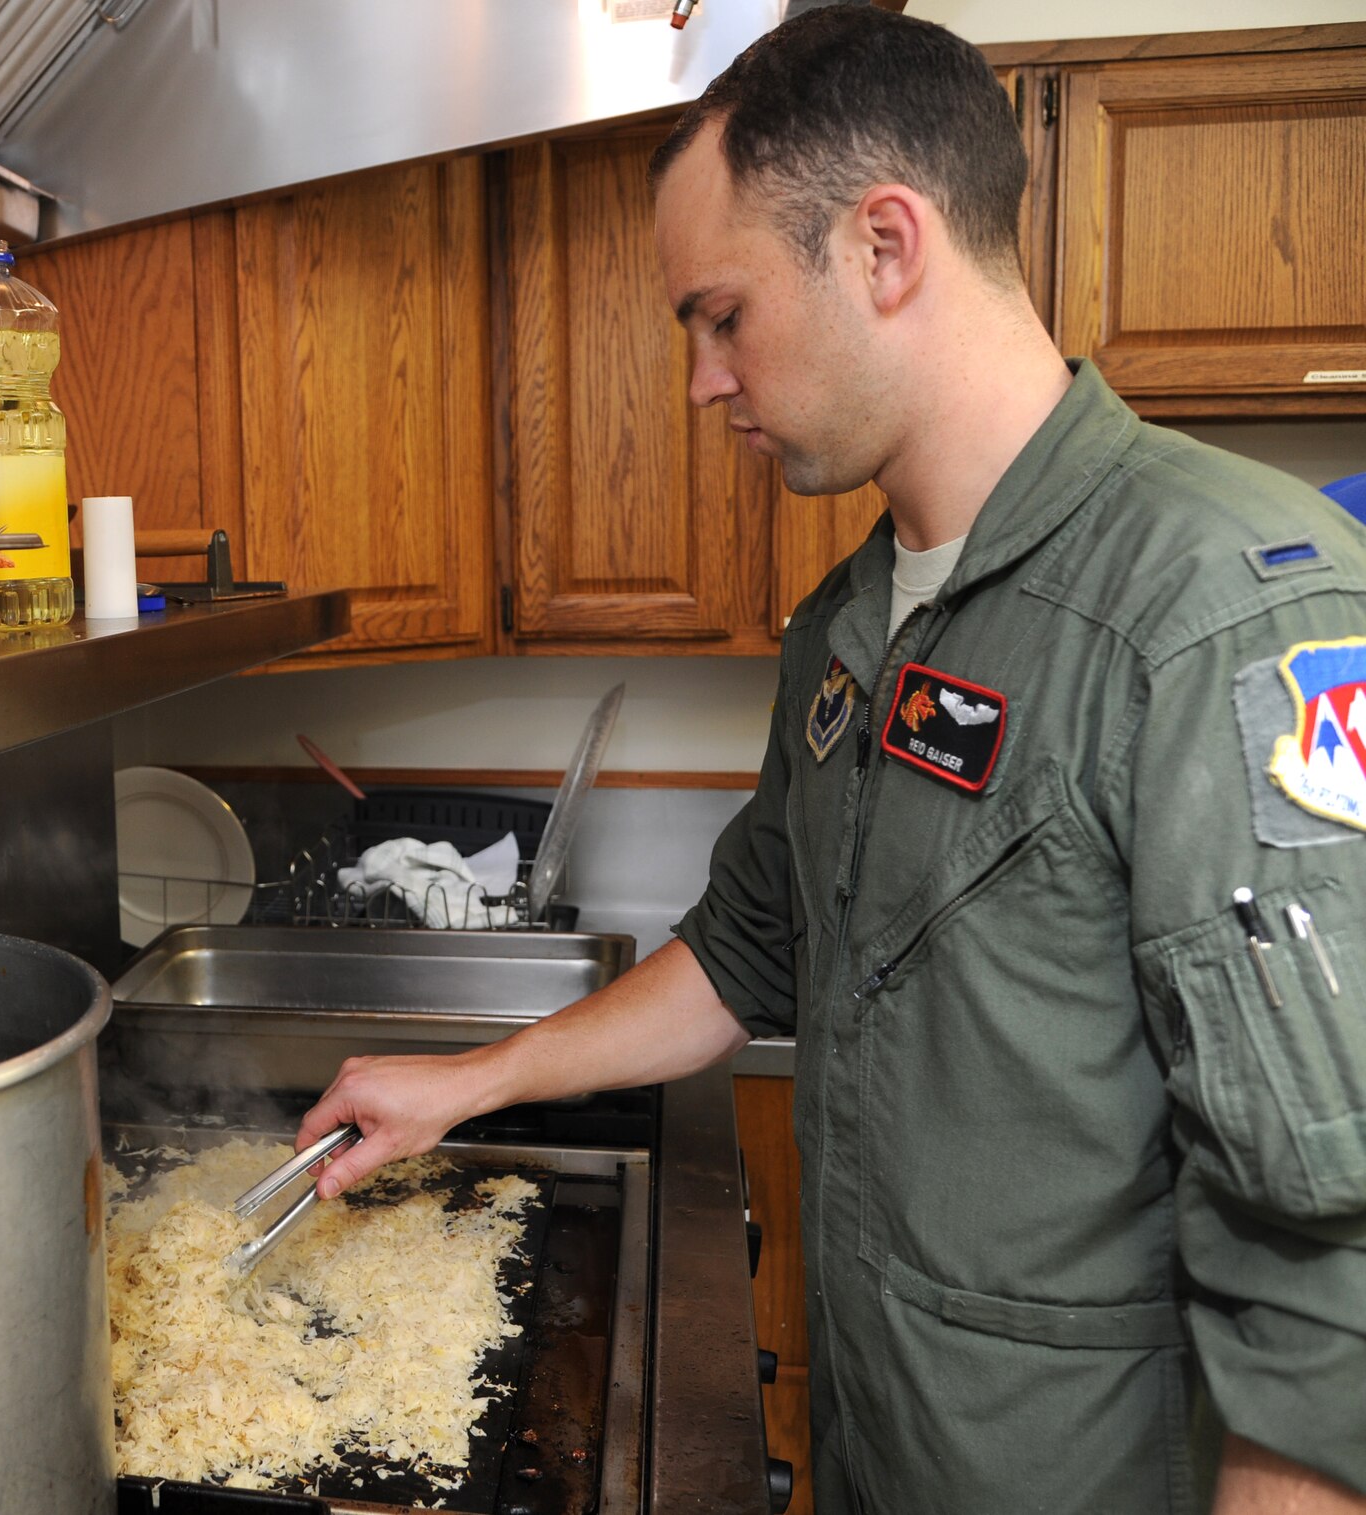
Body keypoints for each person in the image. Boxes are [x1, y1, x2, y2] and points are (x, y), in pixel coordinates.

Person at [292, 9, 1366, 1513]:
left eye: (720, 316)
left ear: (884, 246)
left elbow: (1330, 1250)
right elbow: (750, 949)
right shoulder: (851, 625)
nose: (702, 382)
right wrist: (468, 1085)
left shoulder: (1219, 612)